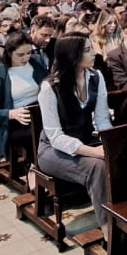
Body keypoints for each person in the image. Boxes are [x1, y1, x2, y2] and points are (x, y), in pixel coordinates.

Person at [36, 33, 113, 236]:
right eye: (87, 50)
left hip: (84, 139)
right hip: (52, 150)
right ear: (72, 56)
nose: (94, 53)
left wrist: (109, 144)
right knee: (97, 166)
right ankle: (108, 231)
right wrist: (96, 152)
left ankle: (124, 218)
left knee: (119, 157)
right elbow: (56, 137)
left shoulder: (96, 77)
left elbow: (103, 118)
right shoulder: (50, 87)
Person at [0, 31, 40, 168]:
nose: (26, 58)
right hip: (15, 118)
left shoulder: (36, 62)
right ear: (9, 53)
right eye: (20, 55)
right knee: (34, 133)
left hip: (39, 110)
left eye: (28, 53)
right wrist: (11, 114)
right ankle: (35, 167)